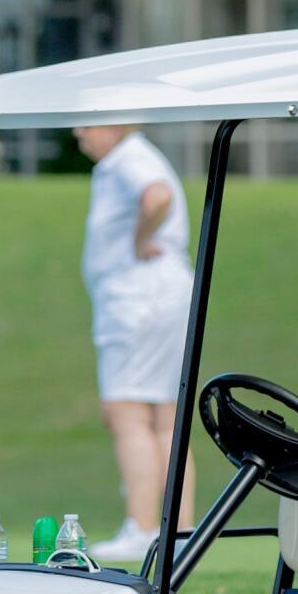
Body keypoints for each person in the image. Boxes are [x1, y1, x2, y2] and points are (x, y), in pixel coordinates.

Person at [72, 123, 195, 565]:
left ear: (114, 125)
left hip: (137, 299)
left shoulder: (128, 159)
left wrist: (140, 239)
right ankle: (179, 532)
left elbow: (157, 196)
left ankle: (142, 528)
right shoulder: (134, 157)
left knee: (126, 413)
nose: (78, 134)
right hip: (164, 292)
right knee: (164, 414)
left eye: (87, 125)